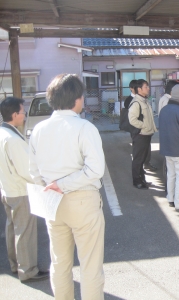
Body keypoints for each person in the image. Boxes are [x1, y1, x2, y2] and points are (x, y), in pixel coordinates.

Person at [29, 74, 105, 299]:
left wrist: (49, 186)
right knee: (90, 265)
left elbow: (33, 170)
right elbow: (95, 170)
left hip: (51, 201)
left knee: (60, 263)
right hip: (81, 199)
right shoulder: (84, 127)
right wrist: (62, 184)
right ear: (78, 99)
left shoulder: (39, 129)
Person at [0, 97, 49, 283]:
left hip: (8, 189)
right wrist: (44, 183)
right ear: (14, 115)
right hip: (20, 191)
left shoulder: (3, 133)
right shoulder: (13, 139)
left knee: (12, 228)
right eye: (23, 111)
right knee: (25, 232)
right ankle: (27, 270)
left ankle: (16, 265)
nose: (24, 115)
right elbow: (27, 170)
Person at [129, 79, 157, 189]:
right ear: (139, 89)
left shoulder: (144, 101)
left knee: (142, 158)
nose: (148, 88)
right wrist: (144, 126)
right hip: (141, 135)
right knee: (138, 159)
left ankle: (142, 179)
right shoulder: (136, 102)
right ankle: (137, 181)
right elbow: (132, 120)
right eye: (146, 87)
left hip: (146, 134)